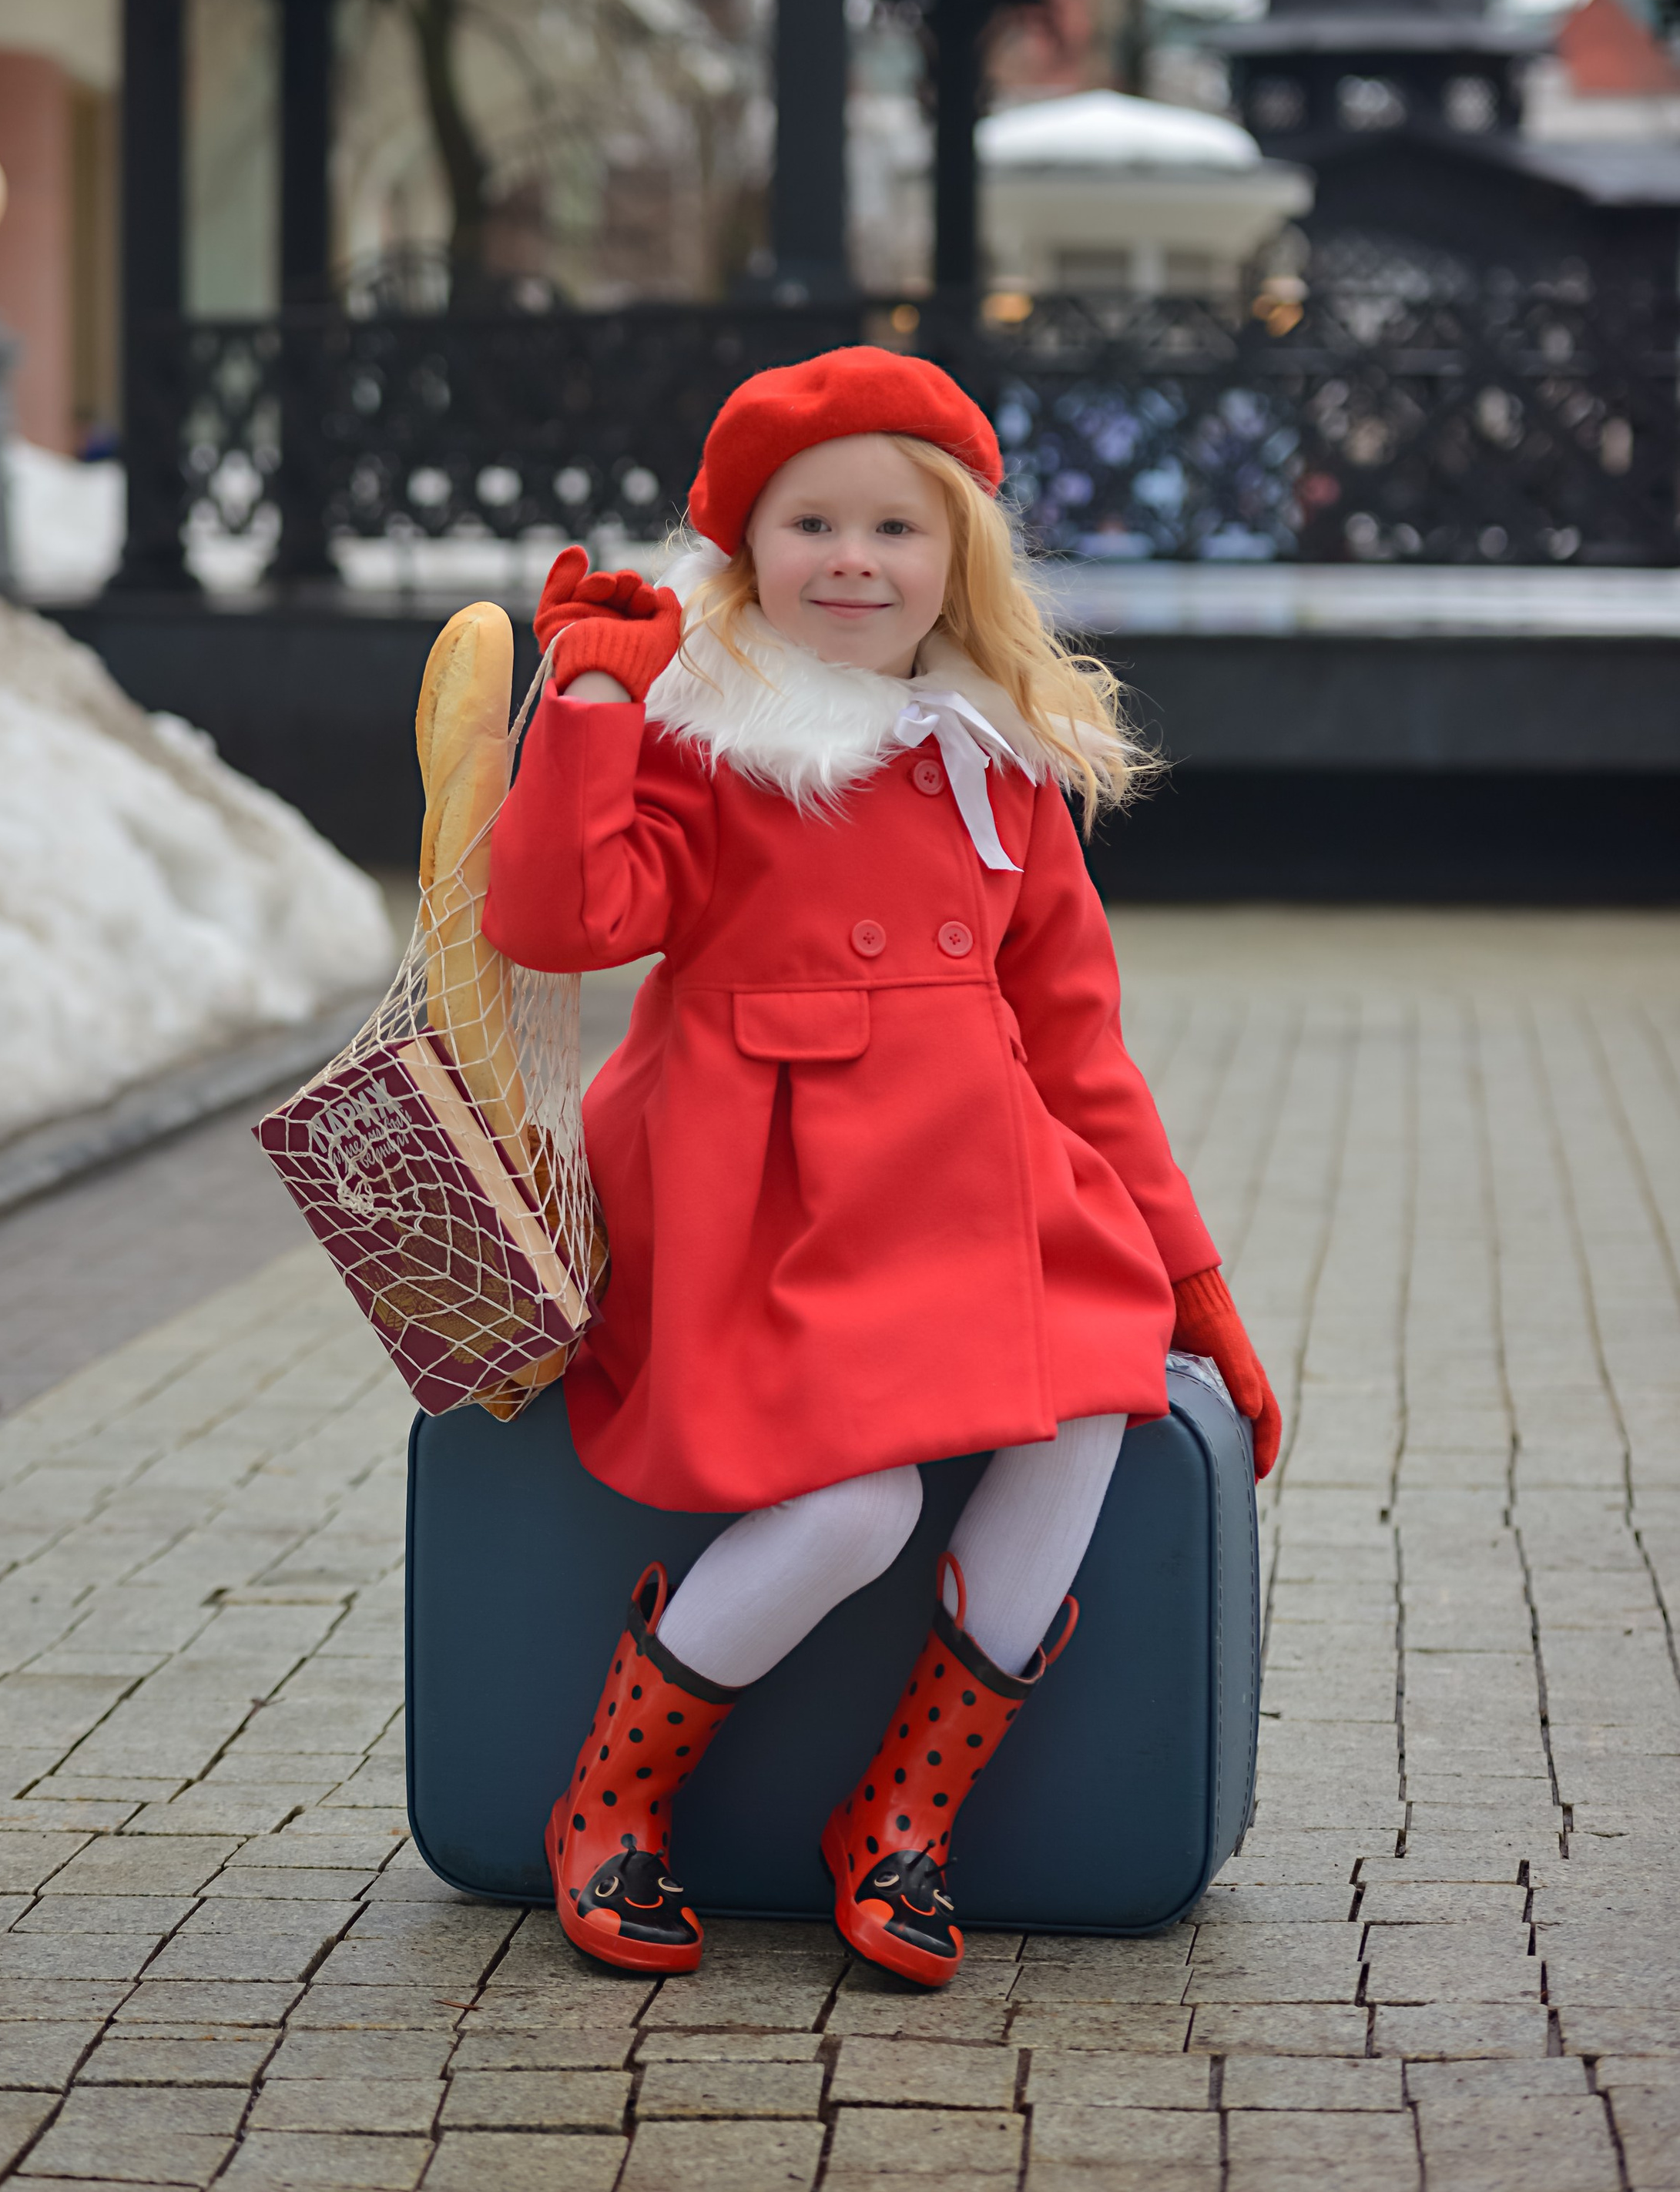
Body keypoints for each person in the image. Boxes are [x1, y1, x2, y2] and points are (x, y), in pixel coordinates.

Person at [480, 346, 1279, 1989]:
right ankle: (610, 1802)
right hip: (762, 1208)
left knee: (1090, 1411)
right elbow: (558, 924)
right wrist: (586, 704)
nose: (853, 561)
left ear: (956, 558)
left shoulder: (992, 763)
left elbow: (1076, 1045)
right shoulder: (708, 741)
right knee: (852, 1508)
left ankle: (903, 1820)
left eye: (895, 530)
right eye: (808, 524)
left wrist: (1189, 1280)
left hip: (976, 1194)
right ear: (742, 552)